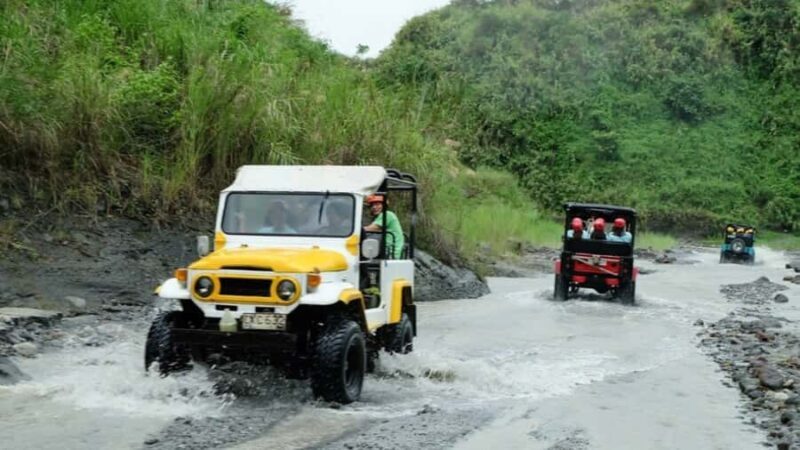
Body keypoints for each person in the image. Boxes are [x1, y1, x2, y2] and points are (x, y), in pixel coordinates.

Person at [363, 194, 405, 259]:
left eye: (377, 204)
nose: (374, 207)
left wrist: (354, 229)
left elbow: (369, 229)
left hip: (391, 253)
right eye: (372, 205)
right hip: (387, 251)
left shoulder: (387, 215)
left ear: (384, 206)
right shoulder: (380, 217)